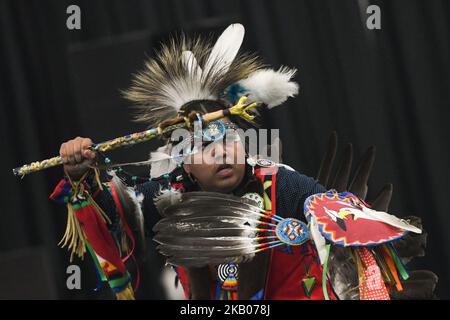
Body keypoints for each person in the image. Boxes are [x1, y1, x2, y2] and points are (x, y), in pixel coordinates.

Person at [50, 24, 437, 300]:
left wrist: (376, 230)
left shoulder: (279, 185)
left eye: (228, 138)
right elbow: (115, 223)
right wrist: (82, 176)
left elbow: (332, 209)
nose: (221, 150)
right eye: (202, 144)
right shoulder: (169, 194)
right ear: (182, 161)